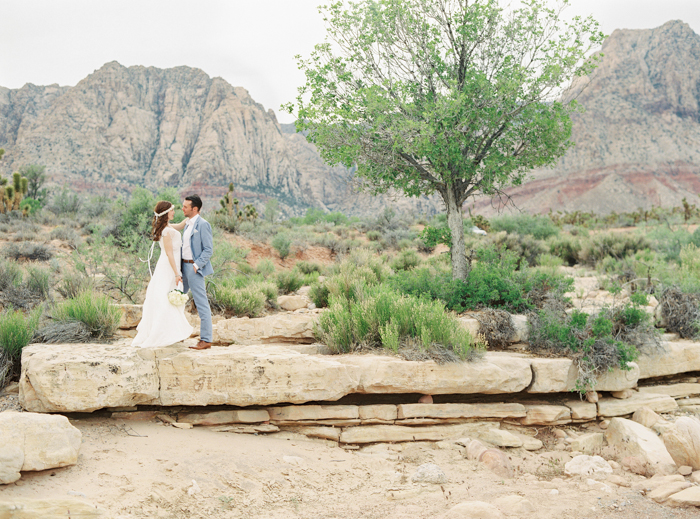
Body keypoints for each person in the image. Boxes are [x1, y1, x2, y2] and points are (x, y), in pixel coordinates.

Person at [132, 201, 193, 348]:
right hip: (169, 267)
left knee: (168, 298)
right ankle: (166, 333)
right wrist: (177, 273)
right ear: (166, 213)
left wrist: (190, 217)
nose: (174, 212)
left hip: (169, 266)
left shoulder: (168, 227)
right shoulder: (166, 231)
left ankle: (173, 332)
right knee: (166, 299)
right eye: (172, 210)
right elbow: (169, 253)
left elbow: (179, 226)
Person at [181, 194, 215, 350]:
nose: (183, 208)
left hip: (194, 269)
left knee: (201, 303)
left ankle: (206, 340)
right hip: (183, 268)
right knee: (177, 299)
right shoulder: (188, 224)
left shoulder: (203, 225)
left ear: (195, 209)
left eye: (185, 206)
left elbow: (208, 249)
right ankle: (175, 333)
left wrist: (196, 265)